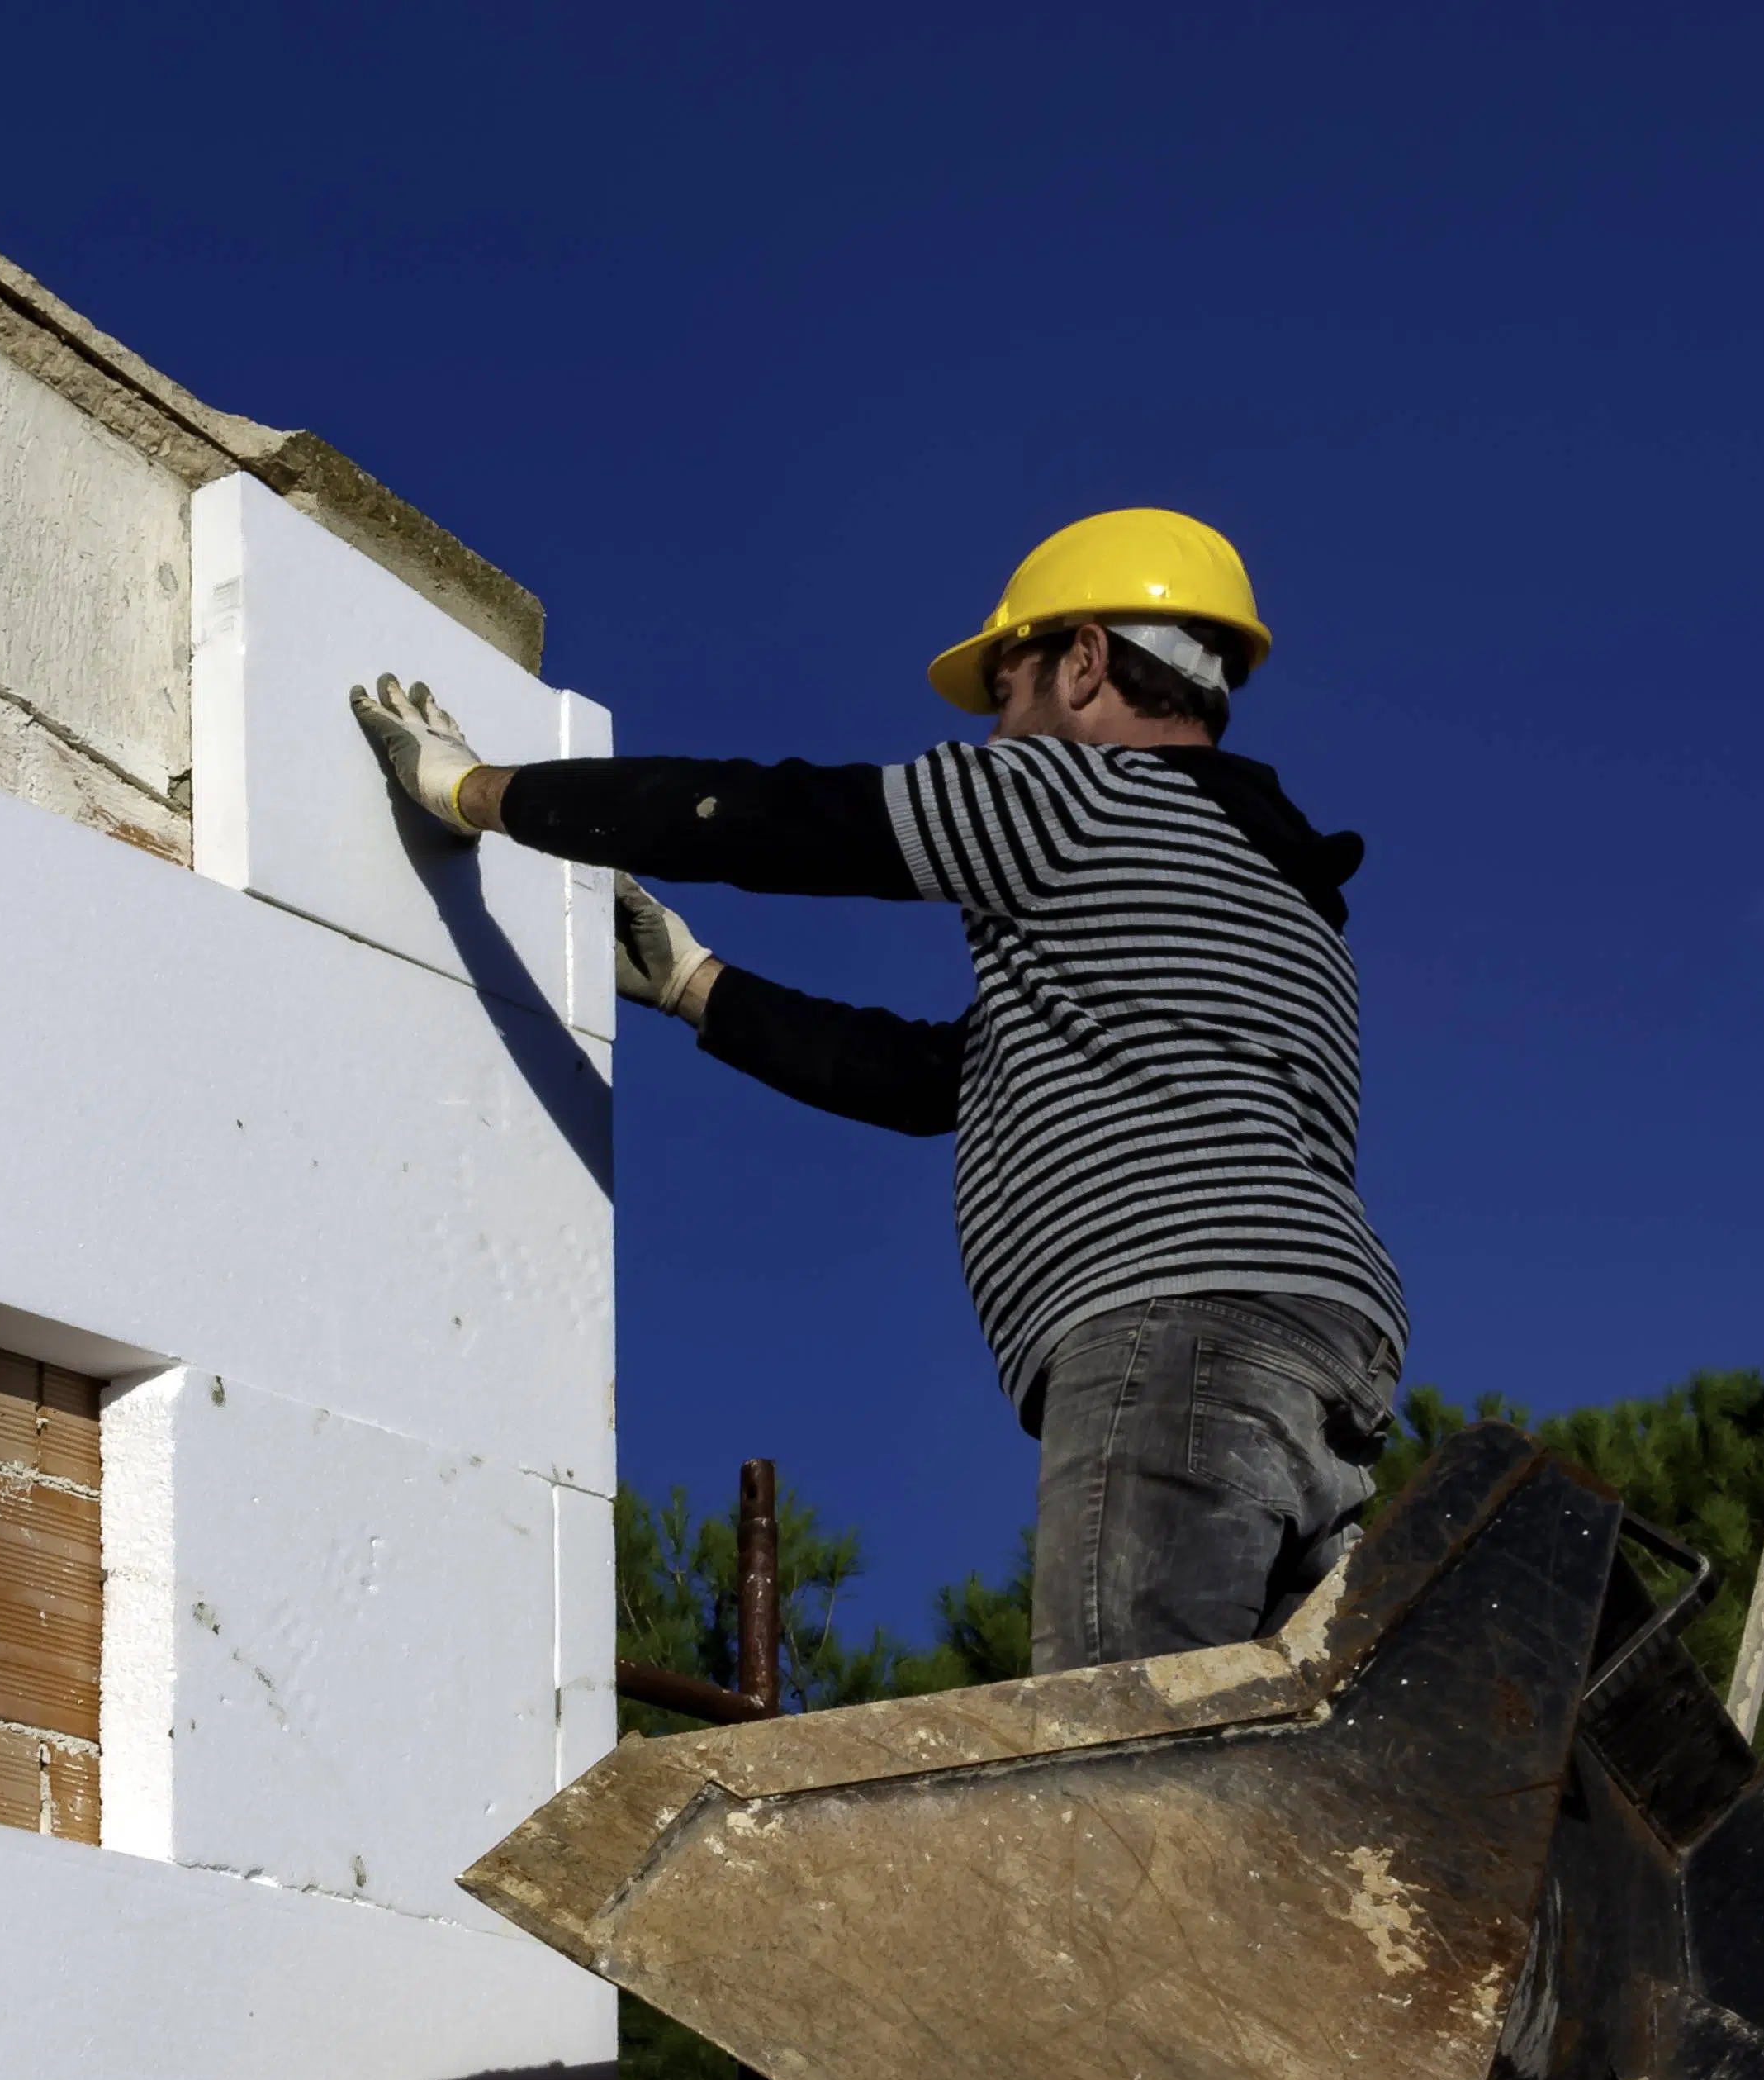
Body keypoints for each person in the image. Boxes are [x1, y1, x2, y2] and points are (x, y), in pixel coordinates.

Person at [353, 508, 1407, 1674]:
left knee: (1126, 1755)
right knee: (1269, 1777)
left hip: (1172, 1331)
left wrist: (478, 792)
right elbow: (939, 1079)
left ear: (1086, 661)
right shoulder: (1286, 902)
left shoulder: (1073, 797)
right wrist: (696, 984)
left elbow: (782, 822)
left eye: (1006, 694)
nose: (997, 733)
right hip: (1323, 1365)